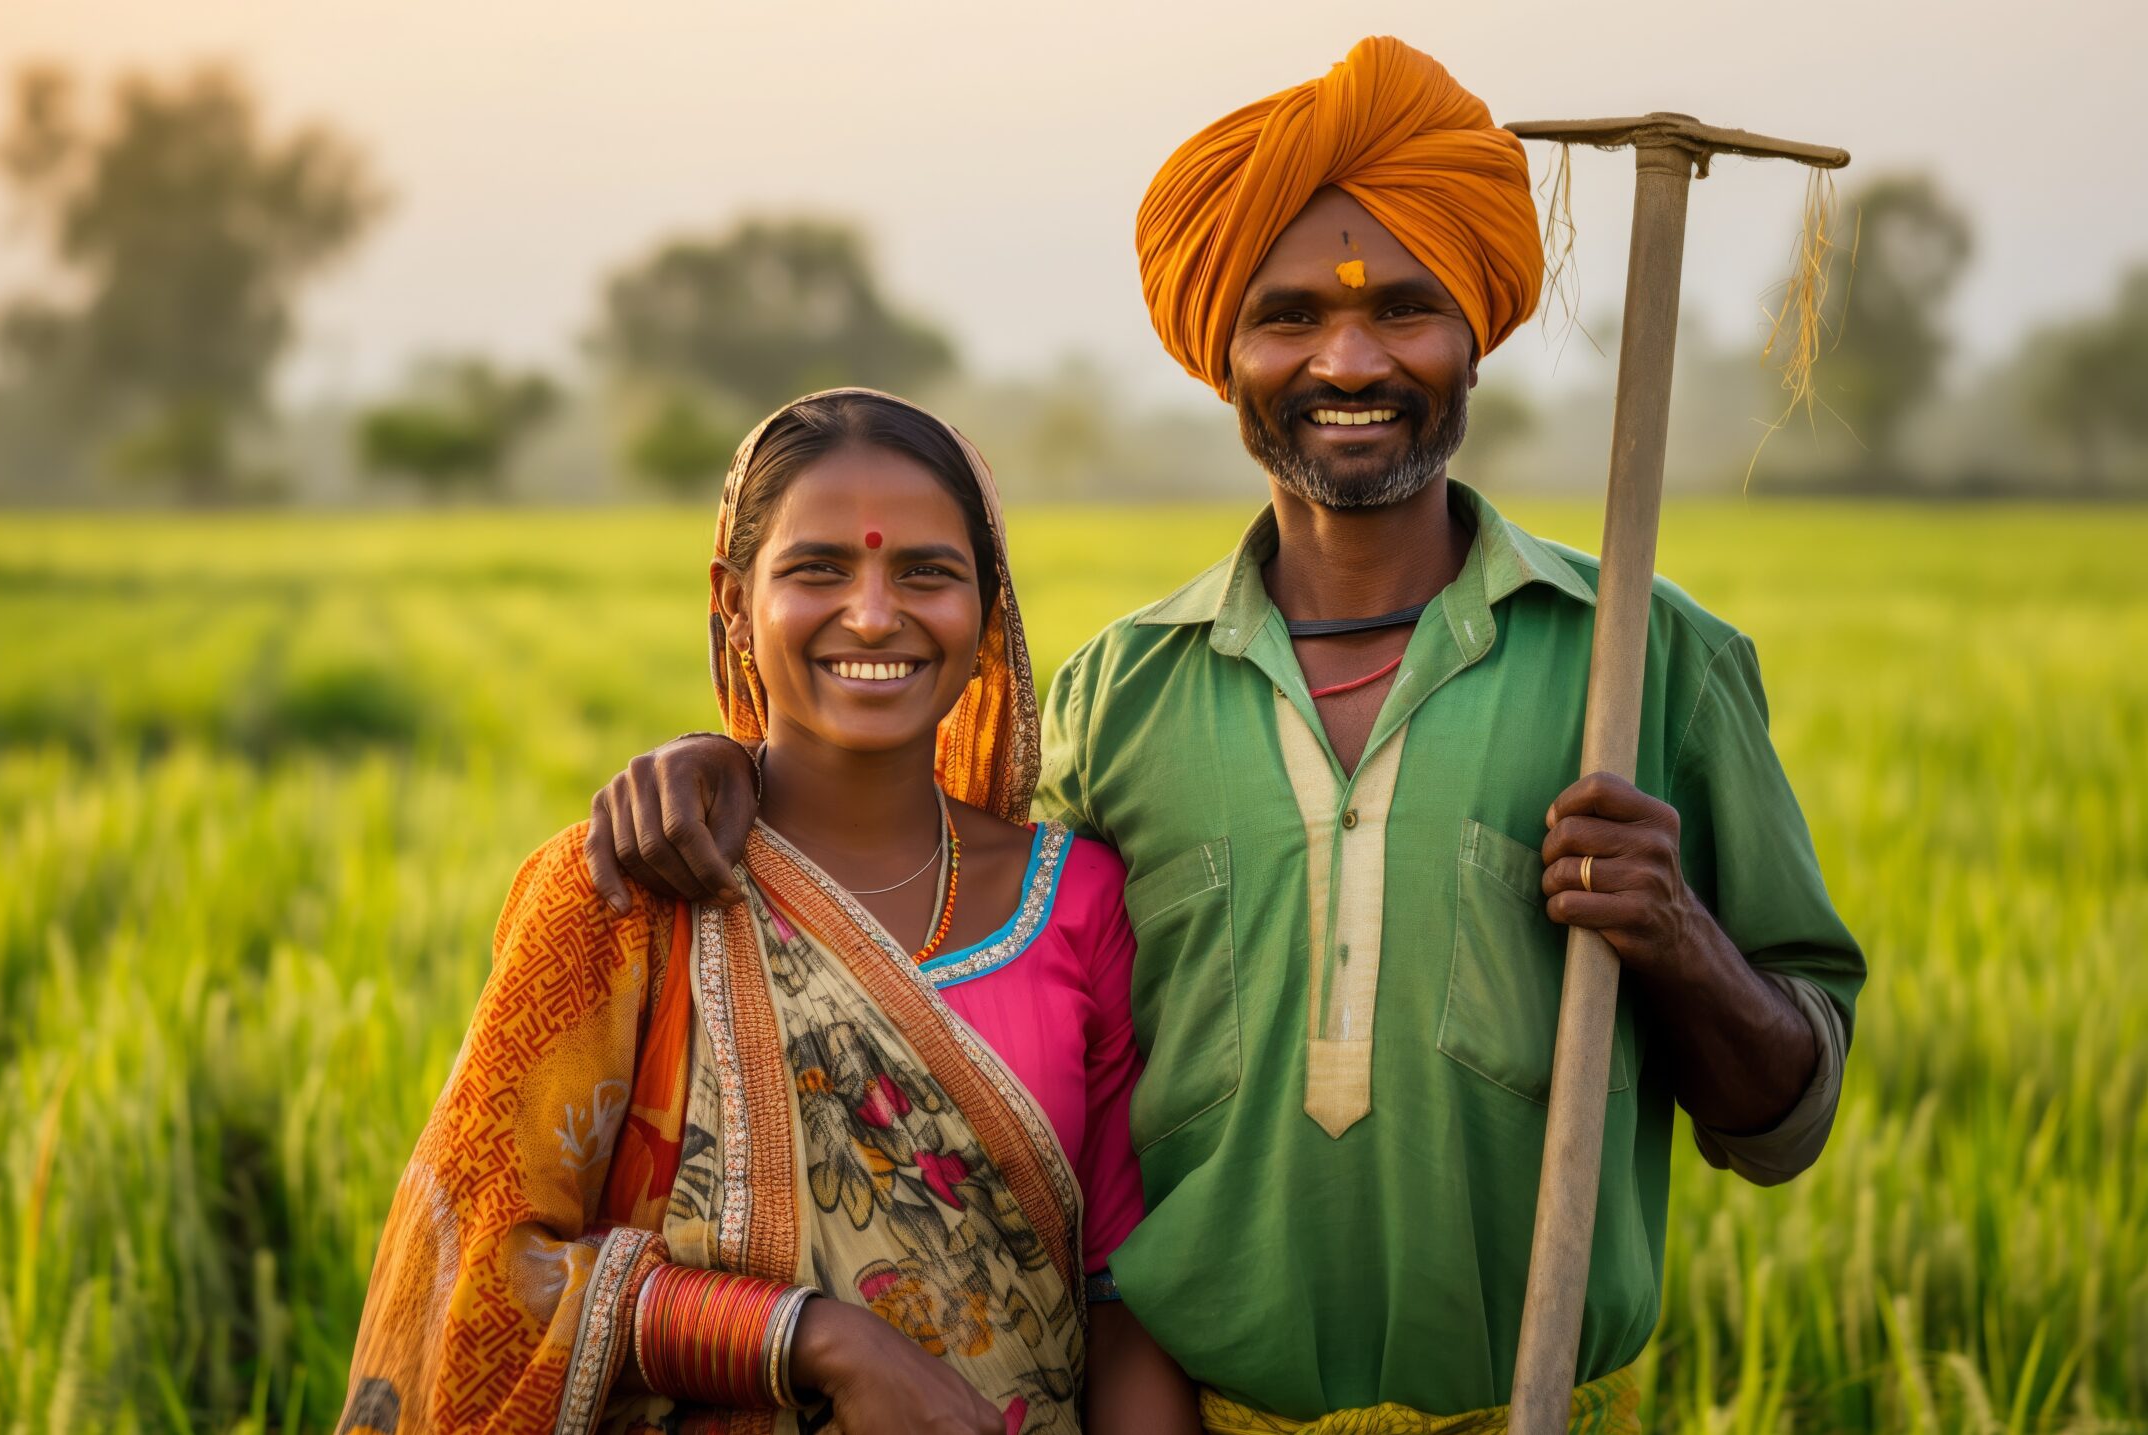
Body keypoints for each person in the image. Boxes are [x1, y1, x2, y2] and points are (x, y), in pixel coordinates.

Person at [577, 36, 1866, 1434]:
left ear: (1474, 334)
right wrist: (735, 766)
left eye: (1408, 310)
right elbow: (959, 960)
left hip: (1551, 1401)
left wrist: (1678, 934)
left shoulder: (1648, 657)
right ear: (1224, 353)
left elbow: (1786, 1119)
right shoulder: (1121, 693)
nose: (1351, 359)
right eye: (1290, 315)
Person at [339, 389, 1201, 1434]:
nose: (875, 612)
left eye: (926, 572)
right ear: (733, 605)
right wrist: (816, 1338)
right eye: (818, 569)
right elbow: (480, 1272)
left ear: (987, 617)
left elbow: (1118, 1293)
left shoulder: (1078, 898)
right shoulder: (622, 889)